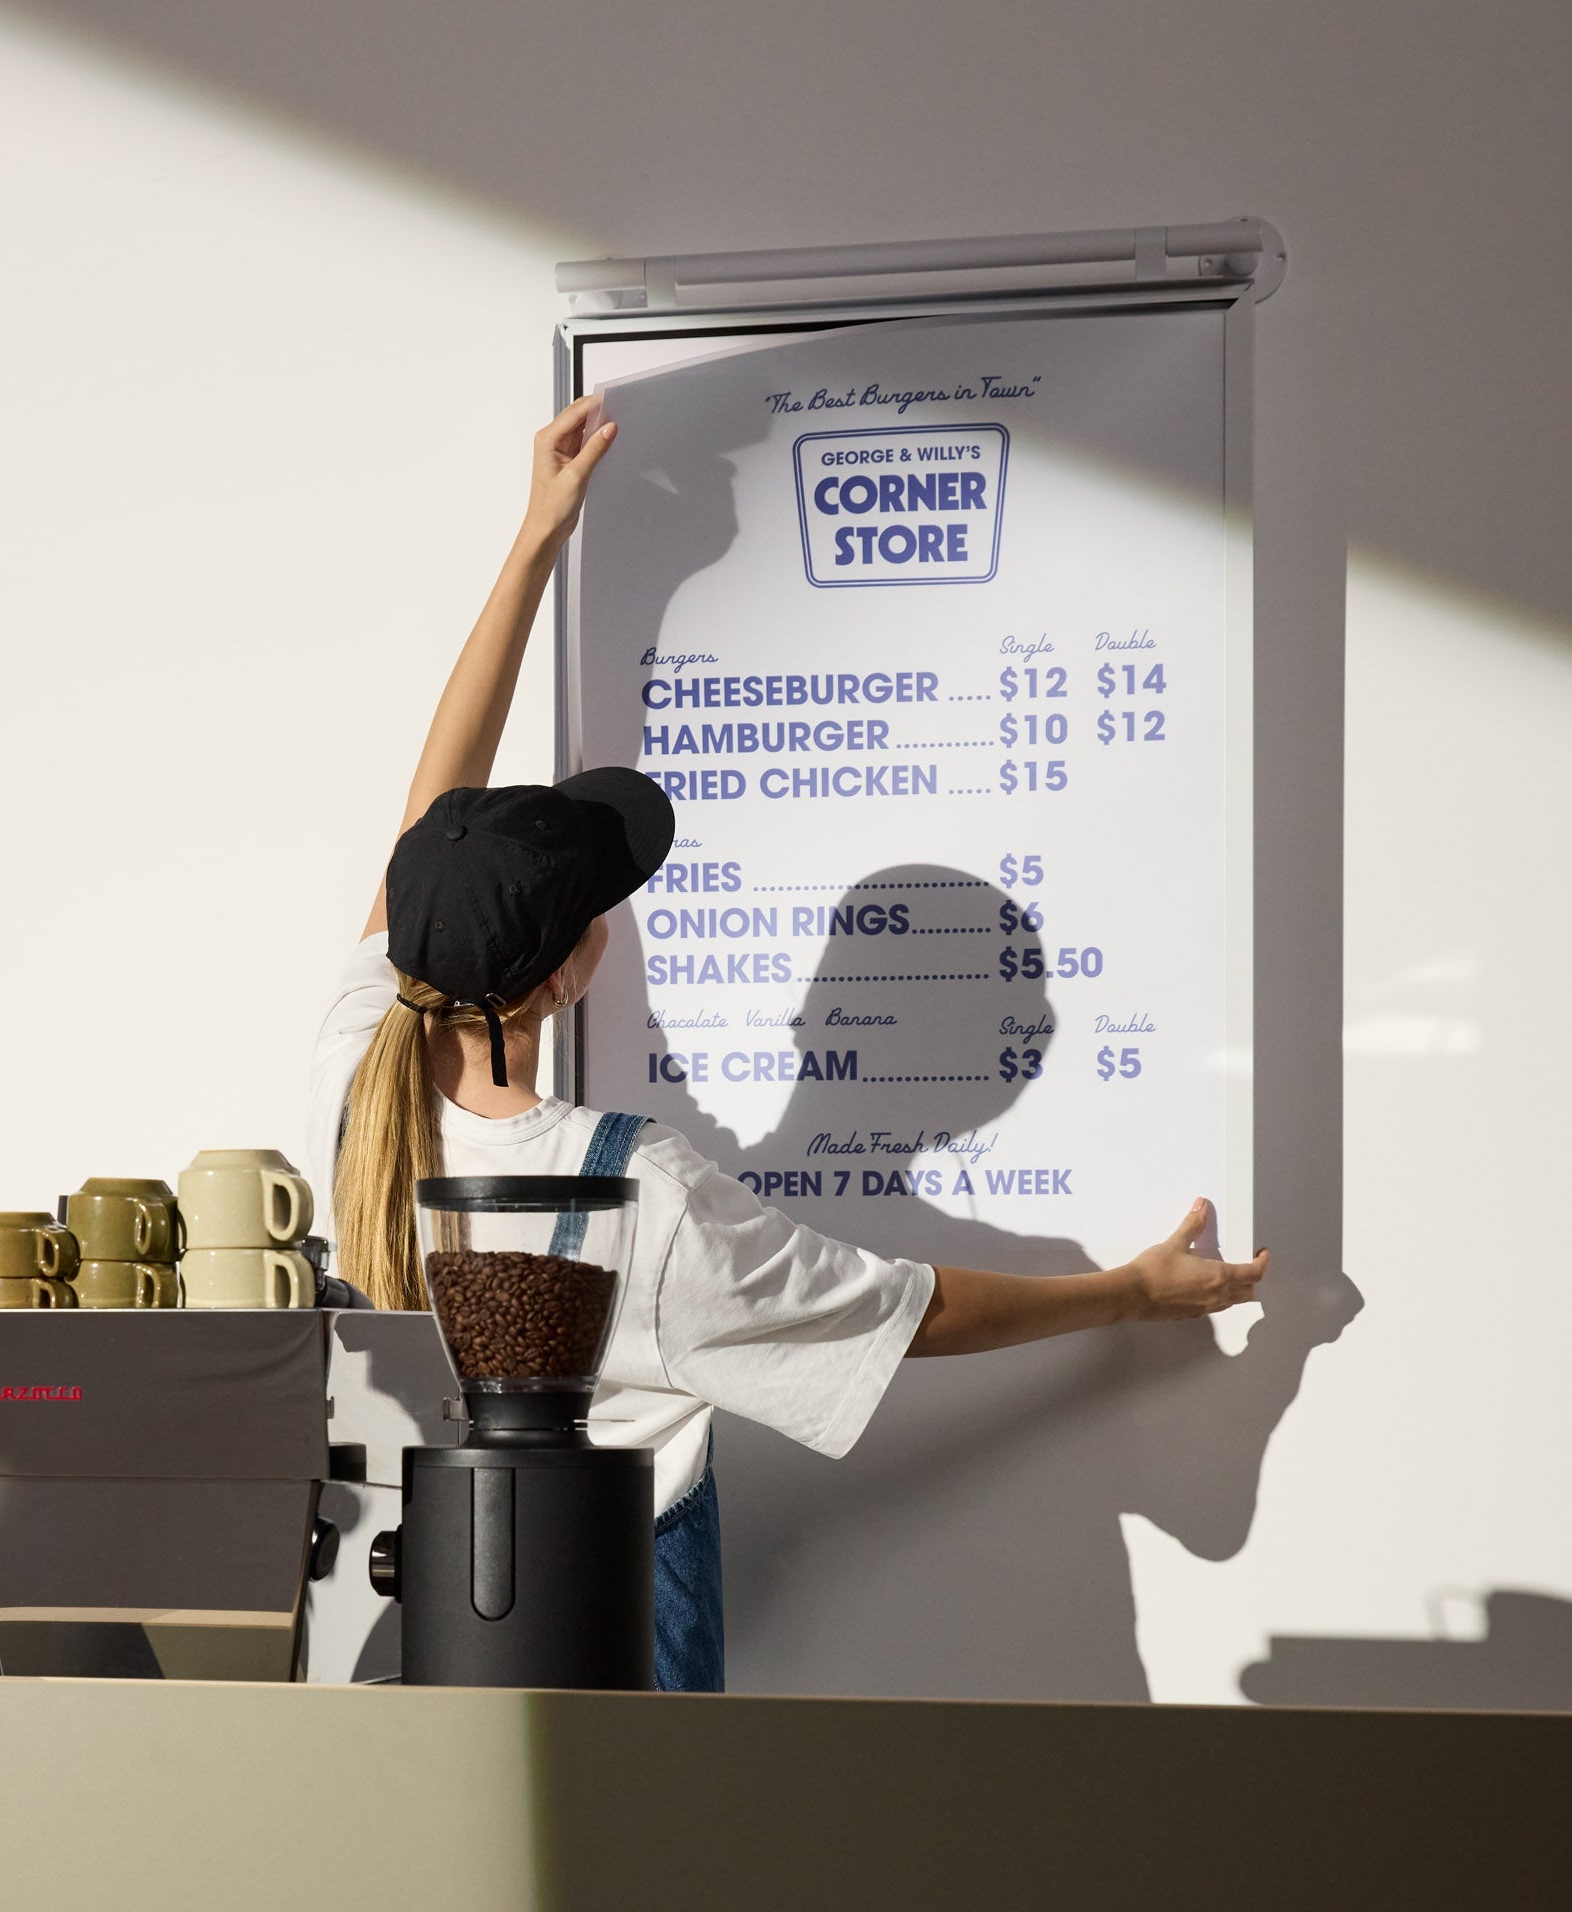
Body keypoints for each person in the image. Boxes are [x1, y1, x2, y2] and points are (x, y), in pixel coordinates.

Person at [308, 395, 1269, 1694]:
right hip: (609, 1676)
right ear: (572, 972)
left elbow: (432, 816)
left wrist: (536, 540)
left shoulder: (349, 1071)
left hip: (417, 1640)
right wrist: (1133, 1293)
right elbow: (912, 1310)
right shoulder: (633, 1197)